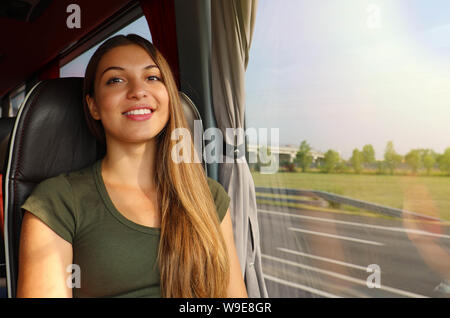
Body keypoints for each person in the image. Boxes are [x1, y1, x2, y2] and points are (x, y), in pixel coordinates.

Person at [16, 34, 248, 298]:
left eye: (152, 77)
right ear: (93, 106)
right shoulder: (57, 201)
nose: (138, 91)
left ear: (169, 96)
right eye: (116, 80)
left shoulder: (209, 195)